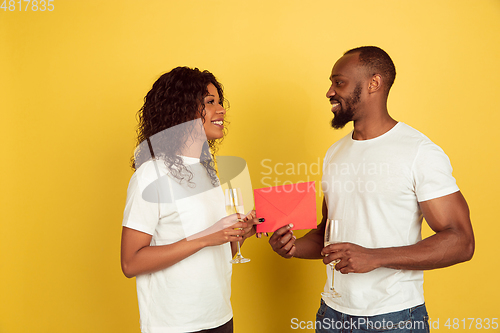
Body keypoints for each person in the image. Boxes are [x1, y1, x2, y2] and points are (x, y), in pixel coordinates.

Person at [268, 46, 474, 332]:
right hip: (331, 314)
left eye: (339, 82)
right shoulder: (334, 153)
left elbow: (461, 241)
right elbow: (327, 235)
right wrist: (292, 248)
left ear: (373, 83)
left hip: (394, 318)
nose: (329, 91)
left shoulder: (419, 151)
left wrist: (375, 257)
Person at [121, 66, 260, 333]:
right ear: (182, 109)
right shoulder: (151, 173)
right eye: (210, 103)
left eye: (220, 102)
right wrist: (208, 236)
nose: (221, 110)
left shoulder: (206, 170)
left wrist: (240, 235)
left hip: (219, 316)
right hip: (175, 325)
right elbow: (131, 262)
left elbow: (215, 249)